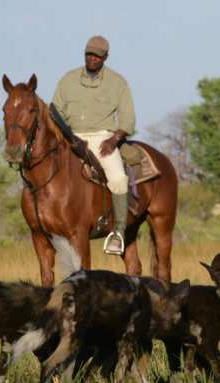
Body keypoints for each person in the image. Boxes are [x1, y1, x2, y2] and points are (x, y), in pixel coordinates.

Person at [52, 35, 134, 255]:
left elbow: (127, 118)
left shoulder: (118, 82)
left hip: (102, 138)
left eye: (97, 56)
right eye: (89, 54)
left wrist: (114, 140)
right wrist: (67, 137)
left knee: (118, 178)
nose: (92, 58)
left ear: (105, 57)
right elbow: (55, 111)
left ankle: (118, 232)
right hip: (71, 138)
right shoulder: (68, 80)